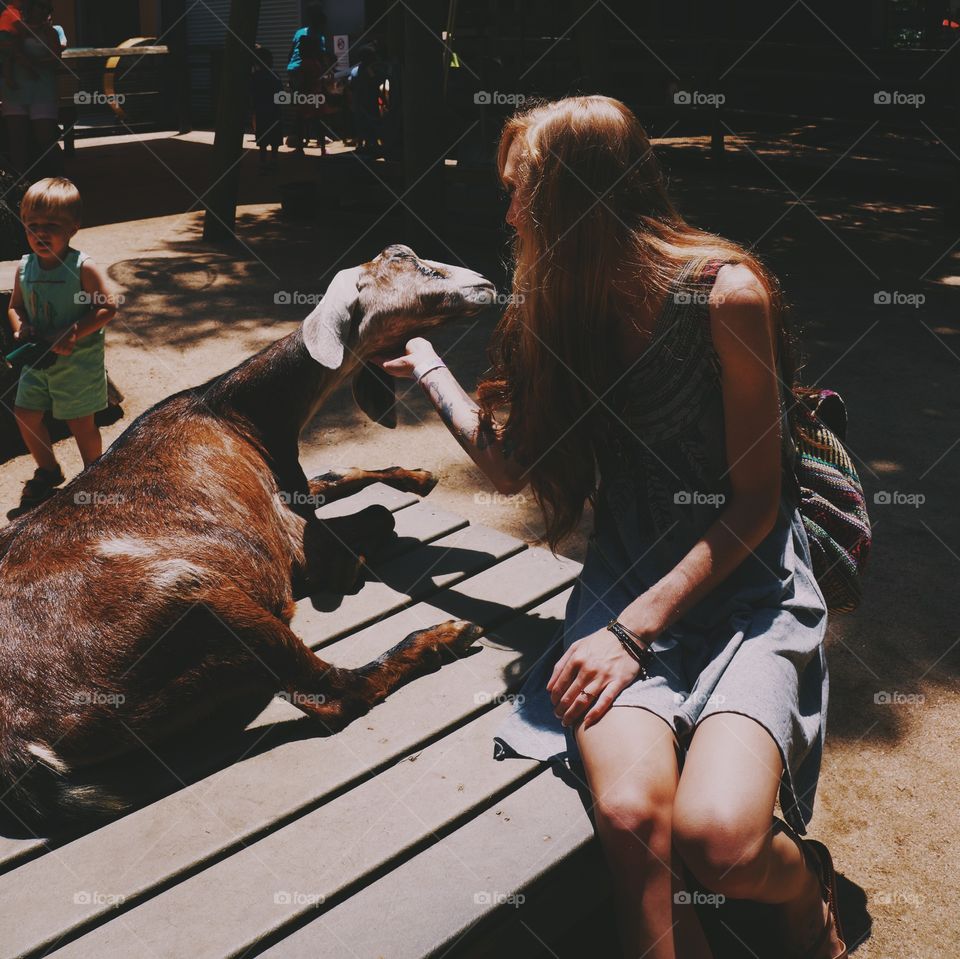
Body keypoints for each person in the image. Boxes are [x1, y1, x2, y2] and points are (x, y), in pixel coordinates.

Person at [380, 96, 846, 959]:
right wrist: (429, 365)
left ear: (579, 196)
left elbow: (757, 502)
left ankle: (802, 890)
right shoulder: (557, 304)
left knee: (722, 845)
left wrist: (632, 631)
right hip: (624, 580)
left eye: (522, 190)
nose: (510, 211)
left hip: (746, 587)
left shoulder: (724, 295)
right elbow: (512, 462)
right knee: (634, 824)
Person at [6, 177, 117, 519]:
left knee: (80, 423)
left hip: (76, 364)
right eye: (32, 226)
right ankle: (49, 470)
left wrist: (72, 331)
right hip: (38, 361)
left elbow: (107, 306)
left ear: (73, 227)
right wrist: (19, 327)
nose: (40, 233)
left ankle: (94, 476)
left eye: (51, 226)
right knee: (25, 414)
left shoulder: (81, 268)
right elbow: (15, 306)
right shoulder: (25, 267)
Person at [0, 0, 64, 179]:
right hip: (15, 88)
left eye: (46, 8)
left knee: (45, 136)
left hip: (42, 89)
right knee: (16, 140)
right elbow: (9, 52)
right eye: (39, 6)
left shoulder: (50, 32)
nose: (42, 11)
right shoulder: (16, 28)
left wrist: (31, 63)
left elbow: (55, 58)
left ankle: (58, 176)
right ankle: (20, 182)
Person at [285, 1, 327, 151]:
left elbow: (290, 54)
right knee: (316, 110)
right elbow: (321, 58)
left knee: (301, 109)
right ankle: (321, 146)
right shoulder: (319, 37)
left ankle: (301, 145)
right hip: (309, 73)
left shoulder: (299, 32)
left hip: (294, 71)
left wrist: (290, 73)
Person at [249, 44, 282, 171]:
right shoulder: (275, 76)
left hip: (261, 111)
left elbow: (252, 94)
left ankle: (263, 162)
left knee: (263, 139)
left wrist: (253, 107)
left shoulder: (255, 77)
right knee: (275, 138)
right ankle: (274, 160)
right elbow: (280, 93)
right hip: (274, 111)